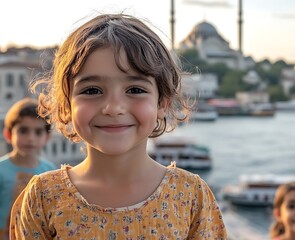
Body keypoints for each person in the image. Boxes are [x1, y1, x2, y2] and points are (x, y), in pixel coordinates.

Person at [10, 13, 227, 239]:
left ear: (161, 103)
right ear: (67, 105)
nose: (113, 108)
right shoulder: (44, 196)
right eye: (92, 90)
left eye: (135, 90)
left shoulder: (190, 195)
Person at [0, 98, 56, 240]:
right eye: (23, 131)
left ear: (47, 137)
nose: (30, 138)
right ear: (8, 134)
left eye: (38, 132)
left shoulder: (50, 172)